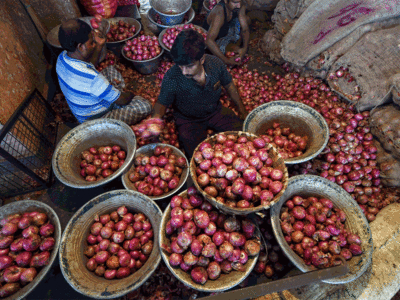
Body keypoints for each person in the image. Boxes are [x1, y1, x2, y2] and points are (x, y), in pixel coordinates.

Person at [152, 29, 247, 159]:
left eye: (189, 66)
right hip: (188, 120)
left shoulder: (215, 64)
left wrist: (241, 108)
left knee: (242, 133)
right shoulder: (172, 77)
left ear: (202, 59)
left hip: (215, 111)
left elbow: (229, 85)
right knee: (197, 156)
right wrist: (155, 120)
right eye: (180, 66)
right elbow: (161, 103)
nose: (184, 71)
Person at [56, 18, 151, 124]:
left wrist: (99, 46)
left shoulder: (62, 58)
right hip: (97, 120)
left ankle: (112, 93)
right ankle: (114, 96)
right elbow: (122, 100)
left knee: (110, 70)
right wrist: (131, 94)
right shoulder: (93, 78)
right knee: (144, 106)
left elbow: (91, 65)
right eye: (92, 43)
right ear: (80, 47)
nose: (94, 44)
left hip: (83, 110)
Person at [203, 0, 250, 66]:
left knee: (247, 19)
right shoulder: (219, 12)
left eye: (240, 1)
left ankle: (234, 47)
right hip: (215, 37)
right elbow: (209, 41)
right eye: (235, 2)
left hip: (228, 29)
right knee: (233, 53)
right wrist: (226, 61)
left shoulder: (239, 5)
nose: (238, 6)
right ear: (225, 1)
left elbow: (245, 28)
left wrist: (244, 49)